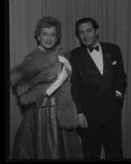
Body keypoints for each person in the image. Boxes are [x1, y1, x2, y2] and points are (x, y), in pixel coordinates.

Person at [10, 16, 83, 160]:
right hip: (40, 112)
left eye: (53, 35)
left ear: (57, 38)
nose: (48, 38)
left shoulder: (63, 56)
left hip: (62, 111)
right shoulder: (31, 59)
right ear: (38, 36)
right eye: (44, 34)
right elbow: (24, 90)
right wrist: (51, 79)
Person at [70, 17, 127, 160]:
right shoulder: (74, 55)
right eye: (81, 32)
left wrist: (118, 94)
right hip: (89, 116)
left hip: (112, 112)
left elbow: (120, 76)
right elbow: (74, 86)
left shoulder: (114, 49)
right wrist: (79, 113)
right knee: (91, 154)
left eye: (89, 31)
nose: (85, 35)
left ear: (97, 31)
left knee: (115, 152)